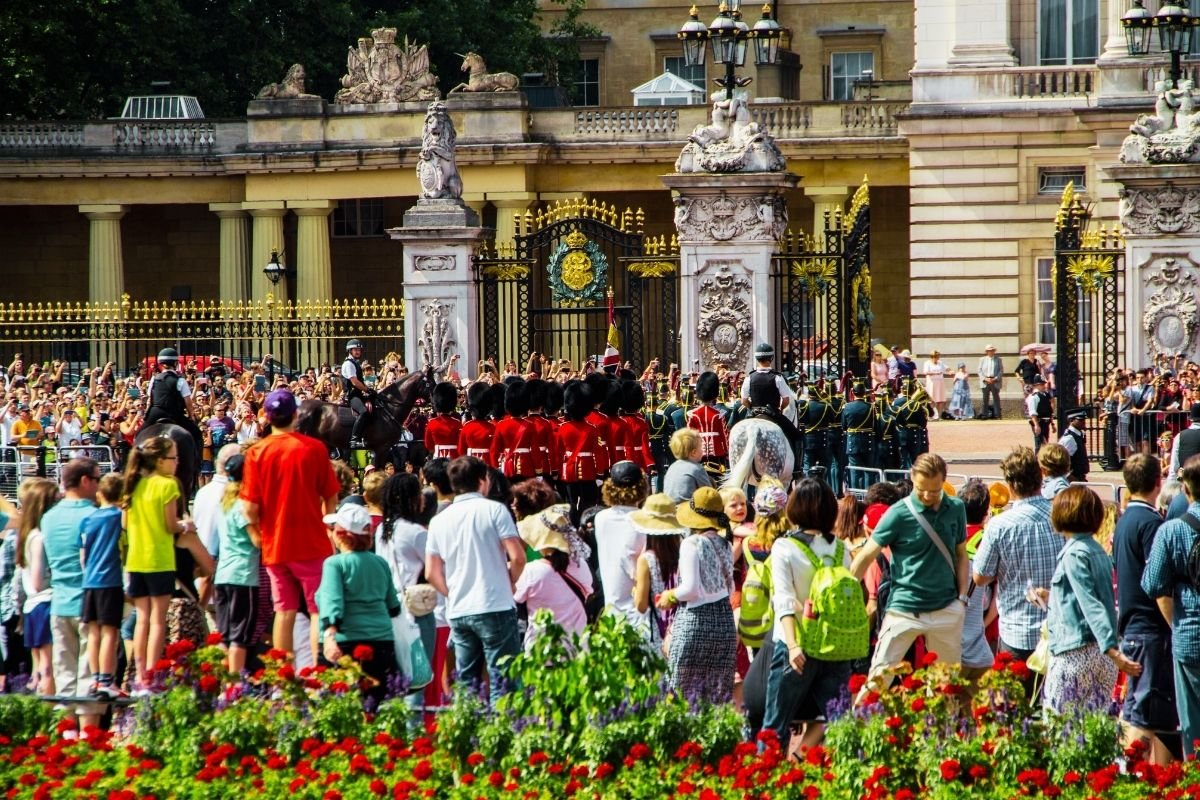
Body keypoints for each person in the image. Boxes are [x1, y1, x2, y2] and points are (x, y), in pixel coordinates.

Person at [240, 389, 341, 664]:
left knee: (283, 610)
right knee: (317, 608)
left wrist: (255, 535)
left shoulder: (257, 452)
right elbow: (330, 495)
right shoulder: (314, 448)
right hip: (312, 542)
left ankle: (282, 679)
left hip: (274, 544)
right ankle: (316, 671)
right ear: (295, 415)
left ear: (268, 418)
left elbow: (249, 508)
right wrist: (327, 524)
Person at [850, 453, 968, 684]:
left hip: (946, 608)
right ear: (912, 478)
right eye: (922, 488)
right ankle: (863, 719)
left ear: (944, 481)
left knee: (947, 686)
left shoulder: (955, 508)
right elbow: (866, 554)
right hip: (904, 608)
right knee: (878, 681)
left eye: (935, 490)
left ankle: (941, 721)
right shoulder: (898, 513)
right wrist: (844, 586)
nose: (927, 495)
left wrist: (962, 598)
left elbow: (961, 555)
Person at [761, 479, 856, 750]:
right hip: (834, 645)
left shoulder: (785, 547)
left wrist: (792, 645)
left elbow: (784, 600)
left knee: (775, 724)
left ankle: (765, 783)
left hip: (797, 644)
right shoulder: (840, 549)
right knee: (841, 724)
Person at [425, 456, 525, 704]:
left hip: (459, 608)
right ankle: (499, 736)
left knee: (466, 681)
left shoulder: (439, 520)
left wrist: (451, 592)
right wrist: (510, 582)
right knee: (502, 680)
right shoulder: (495, 510)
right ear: (483, 481)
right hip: (496, 604)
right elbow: (518, 557)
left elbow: (431, 572)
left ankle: (468, 733)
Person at [1040, 486, 1141, 712]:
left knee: (1061, 730)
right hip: (1101, 654)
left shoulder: (1074, 554)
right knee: (1095, 732)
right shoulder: (1097, 550)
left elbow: (1090, 603)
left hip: (1077, 652)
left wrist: (1112, 649)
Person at [972, 447, 1059, 674]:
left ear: (1010, 486)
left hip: (1018, 632)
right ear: (1041, 476)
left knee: (1015, 707)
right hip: (1059, 629)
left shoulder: (999, 526)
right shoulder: (1061, 516)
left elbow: (980, 577)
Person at [1112, 454, 1176, 764]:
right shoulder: (1151, 523)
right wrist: (1175, 625)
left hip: (1134, 626)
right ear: (1157, 482)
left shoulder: (1126, 520)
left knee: (1152, 712)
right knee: (1142, 713)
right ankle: (1128, 777)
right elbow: (1159, 584)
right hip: (1150, 629)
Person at [122, 436, 190, 694]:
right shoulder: (167, 485)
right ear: (160, 461)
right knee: (158, 621)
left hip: (136, 559)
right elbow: (170, 525)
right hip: (159, 559)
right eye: (173, 458)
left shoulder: (134, 484)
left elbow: (124, 523)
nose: (176, 463)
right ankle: (151, 676)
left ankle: (140, 676)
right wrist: (185, 525)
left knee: (142, 621)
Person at [656, 486, 736, 703]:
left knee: (681, 693)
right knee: (716, 697)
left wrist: (670, 595)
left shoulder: (691, 544)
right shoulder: (726, 544)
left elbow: (690, 589)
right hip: (724, 622)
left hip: (696, 622)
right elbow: (730, 590)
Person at [1143, 457, 1200, 758]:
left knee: (1191, 720)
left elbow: (1152, 584)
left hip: (1189, 631)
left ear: (1187, 490)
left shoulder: (1172, 531)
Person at [317, 503, 401, 707]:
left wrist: (329, 636)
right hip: (382, 641)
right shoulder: (380, 563)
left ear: (341, 534)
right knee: (378, 706)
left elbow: (332, 601)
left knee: (340, 707)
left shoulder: (334, 564)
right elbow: (393, 606)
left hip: (347, 641)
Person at [514, 506, 594, 649]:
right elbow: (588, 593)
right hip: (578, 651)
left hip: (541, 652)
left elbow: (516, 598)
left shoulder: (532, 571)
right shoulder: (581, 565)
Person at [213, 454, 261, 675]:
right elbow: (257, 541)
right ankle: (233, 686)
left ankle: (221, 684)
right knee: (239, 636)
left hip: (222, 574)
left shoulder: (224, 502)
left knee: (225, 635)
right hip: (243, 574)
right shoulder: (244, 504)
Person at [80, 473, 125, 699]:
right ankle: (107, 680)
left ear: (100, 493)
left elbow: (83, 555)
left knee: (93, 632)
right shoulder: (119, 516)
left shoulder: (89, 518)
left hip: (89, 580)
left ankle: (95, 678)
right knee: (110, 632)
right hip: (110, 580)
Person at [15, 478, 59, 695]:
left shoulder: (26, 534)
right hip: (44, 603)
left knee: (37, 668)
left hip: (31, 607)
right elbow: (37, 581)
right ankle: (52, 717)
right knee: (48, 667)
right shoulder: (40, 537)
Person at [594, 461, 650, 628]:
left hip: (611, 611)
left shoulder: (601, 519)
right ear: (642, 487)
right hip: (640, 613)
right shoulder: (645, 520)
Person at [631, 493, 684, 647]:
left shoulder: (646, 559)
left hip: (657, 630)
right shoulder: (684, 551)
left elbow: (641, 606)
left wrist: (635, 590)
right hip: (681, 625)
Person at [740, 344, 802, 465]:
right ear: (771, 358)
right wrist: (780, 409)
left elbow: (743, 400)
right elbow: (786, 400)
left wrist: (752, 407)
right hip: (772, 413)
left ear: (757, 359)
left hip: (754, 413)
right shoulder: (777, 378)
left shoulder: (749, 378)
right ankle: (797, 469)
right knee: (796, 435)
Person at [143, 348, 203, 454]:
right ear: (175, 363)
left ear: (161, 364)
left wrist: (148, 414)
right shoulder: (180, 380)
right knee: (196, 434)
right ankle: (197, 464)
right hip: (174, 414)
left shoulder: (154, 379)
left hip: (155, 412)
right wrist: (191, 415)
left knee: (140, 434)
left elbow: (150, 399)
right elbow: (188, 402)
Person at [662, 428, 712, 504]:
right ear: (693, 452)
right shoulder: (697, 469)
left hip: (671, 508)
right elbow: (709, 494)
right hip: (688, 510)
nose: (703, 450)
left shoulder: (672, 467)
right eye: (701, 447)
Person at [341, 339, 373, 449]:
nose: (358, 352)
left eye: (359, 350)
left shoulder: (355, 363)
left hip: (358, 394)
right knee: (363, 412)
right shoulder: (348, 364)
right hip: (352, 395)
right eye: (355, 350)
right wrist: (367, 390)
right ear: (350, 351)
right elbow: (354, 382)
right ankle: (354, 439)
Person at [1059, 409, 1090, 482]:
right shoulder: (1069, 438)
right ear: (1071, 420)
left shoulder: (1078, 434)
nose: (1083, 422)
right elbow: (1061, 461)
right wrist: (1069, 477)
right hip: (1073, 478)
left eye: (1084, 420)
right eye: (1080, 420)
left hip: (1079, 477)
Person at [1025, 376, 1054, 450]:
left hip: (1046, 422)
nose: (1044, 386)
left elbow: (1049, 411)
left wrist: (1052, 423)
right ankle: (1037, 460)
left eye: (1044, 384)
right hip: (1039, 422)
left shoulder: (1046, 395)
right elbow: (1033, 412)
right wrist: (1036, 425)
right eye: (1041, 384)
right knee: (1039, 445)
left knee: (1045, 443)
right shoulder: (1034, 397)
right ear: (1036, 385)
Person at [977, 345, 1004, 420]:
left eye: (992, 350)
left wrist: (996, 378)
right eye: (989, 351)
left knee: (996, 398)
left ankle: (997, 414)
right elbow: (979, 370)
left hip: (995, 381)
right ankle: (984, 414)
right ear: (986, 352)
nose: (991, 352)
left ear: (994, 351)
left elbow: (1001, 370)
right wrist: (985, 378)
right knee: (985, 399)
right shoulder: (982, 359)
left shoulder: (998, 359)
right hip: (985, 381)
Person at [920, 350, 947, 420]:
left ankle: (939, 416)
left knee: (940, 399)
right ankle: (931, 415)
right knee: (932, 399)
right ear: (932, 357)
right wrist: (935, 373)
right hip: (931, 383)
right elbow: (925, 372)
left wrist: (950, 371)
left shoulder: (940, 363)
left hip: (940, 382)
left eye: (938, 357)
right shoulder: (927, 363)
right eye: (936, 357)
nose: (938, 358)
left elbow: (946, 368)